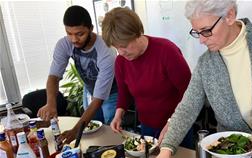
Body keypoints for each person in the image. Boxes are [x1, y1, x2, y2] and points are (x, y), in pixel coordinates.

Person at [149, 0, 252, 158]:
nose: (202, 41)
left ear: (229, 15)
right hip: (233, 156)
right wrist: (167, 149)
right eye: (197, 33)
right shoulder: (206, 63)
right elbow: (187, 107)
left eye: (206, 31)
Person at [101, 7, 193, 147]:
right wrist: (118, 114)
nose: (121, 52)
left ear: (137, 34)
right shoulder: (121, 62)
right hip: (147, 127)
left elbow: (190, 93)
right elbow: (124, 94)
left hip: (177, 125)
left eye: (124, 46)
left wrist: (172, 123)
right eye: (116, 47)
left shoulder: (167, 51)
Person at [37, 5, 118, 144]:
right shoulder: (64, 44)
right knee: (93, 127)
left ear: (91, 28)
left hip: (113, 91)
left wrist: (75, 132)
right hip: (90, 88)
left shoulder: (105, 50)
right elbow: (53, 76)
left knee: (111, 130)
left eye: (80, 34)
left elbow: (98, 99)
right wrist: (51, 103)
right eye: (69, 33)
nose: (74, 39)